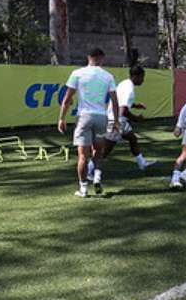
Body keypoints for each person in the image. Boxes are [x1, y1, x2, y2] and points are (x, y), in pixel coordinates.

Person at [57, 48, 120, 197]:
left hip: (84, 117)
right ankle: (97, 177)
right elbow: (115, 101)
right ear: (102, 59)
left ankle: (83, 189)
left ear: (88, 58)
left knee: (82, 156)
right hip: (101, 117)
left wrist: (61, 118)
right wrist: (116, 121)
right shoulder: (108, 76)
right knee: (98, 152)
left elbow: (66, 100)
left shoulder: (77, 73)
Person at [95, 65, 157, 173]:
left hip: (119, 120)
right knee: (105, 151)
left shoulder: (124, 83)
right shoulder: (130, 90)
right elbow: (123, 111)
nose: (143, 80)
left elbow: (121, 102)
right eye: (142, 77)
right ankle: (89, 170)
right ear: (136, 77)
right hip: (116, 121)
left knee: (133, 139)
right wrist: (137, 118)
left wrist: (135, 105)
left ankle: (142, 163)